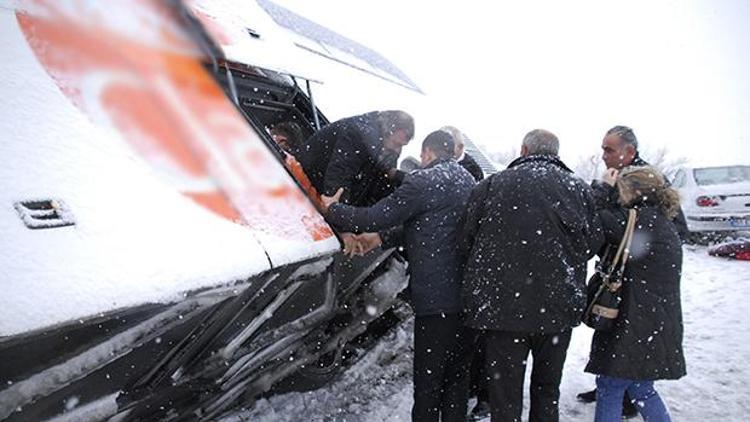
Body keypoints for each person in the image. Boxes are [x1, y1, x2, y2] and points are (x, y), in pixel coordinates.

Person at [322, 130, 476, 422]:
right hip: (465, 299)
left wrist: (334, 209)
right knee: (456, 379)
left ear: (426, 153)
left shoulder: (423, 180)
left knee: (428, 383)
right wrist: (380, 239)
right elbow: (434, 226)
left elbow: (375, 216)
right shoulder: (467, 180)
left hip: (436, 301)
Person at [459, 129, 602, 422]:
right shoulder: (578, 189)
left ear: (524, 149)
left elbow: (467, 239)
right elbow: (593, 242)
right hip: (556, 310)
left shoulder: (492, 186)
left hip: (502, 311)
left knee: (504, 395)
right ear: (557, 153)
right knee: (547, 390)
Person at [578, 125, 688, 417]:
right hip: (655, 316)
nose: (603, 155)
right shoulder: (662, 221)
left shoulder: (634, 219)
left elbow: (592, 224)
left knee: (612, 386)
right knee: (640, 388)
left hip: (632, 314)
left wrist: (601, 189)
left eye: (608, 149)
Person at [296, 110, 414, 206]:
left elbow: (378, 187)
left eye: (402, 146)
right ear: (386, 132)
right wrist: (341, 218)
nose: (397, 150)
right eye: (397, 144)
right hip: (301, 181)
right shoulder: (358, 134)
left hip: (320, 190)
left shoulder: (388, 150)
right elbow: (339, 175)